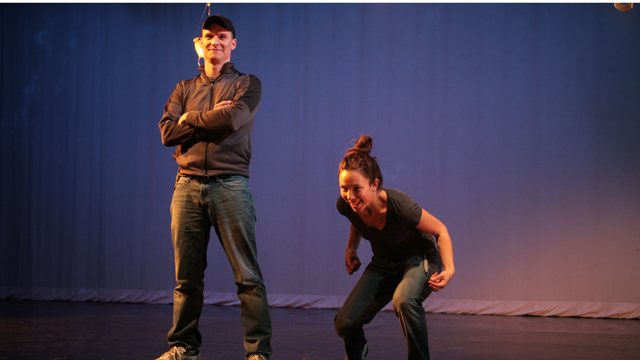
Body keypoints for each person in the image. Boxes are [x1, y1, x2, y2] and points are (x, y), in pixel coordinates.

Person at [157, 14, 272, 360]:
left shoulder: (247, 84)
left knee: (248, 278)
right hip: (187, 186)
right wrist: (210, 119)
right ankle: (183, 348)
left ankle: (257, 353)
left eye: (223, 37)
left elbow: (235, 118)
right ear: (201, 44)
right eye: (209, 36)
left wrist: (189, 119)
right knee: (186, 281)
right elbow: (167, 133)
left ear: (232, 44)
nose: (215, 42)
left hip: (230, 185)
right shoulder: (183, 88)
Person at [334, 135, 455, 360]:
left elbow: (440, 230)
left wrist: (448, 269)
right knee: (345, 323)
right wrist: (350, 250)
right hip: (383, 262)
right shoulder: (347, 205)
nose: (350, 196)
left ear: (374, 184)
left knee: (404, 300)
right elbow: (356, 221)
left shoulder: (399, 206)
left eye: (356, 189)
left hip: (418, 258)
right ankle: (357, 353)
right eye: (344, 188)